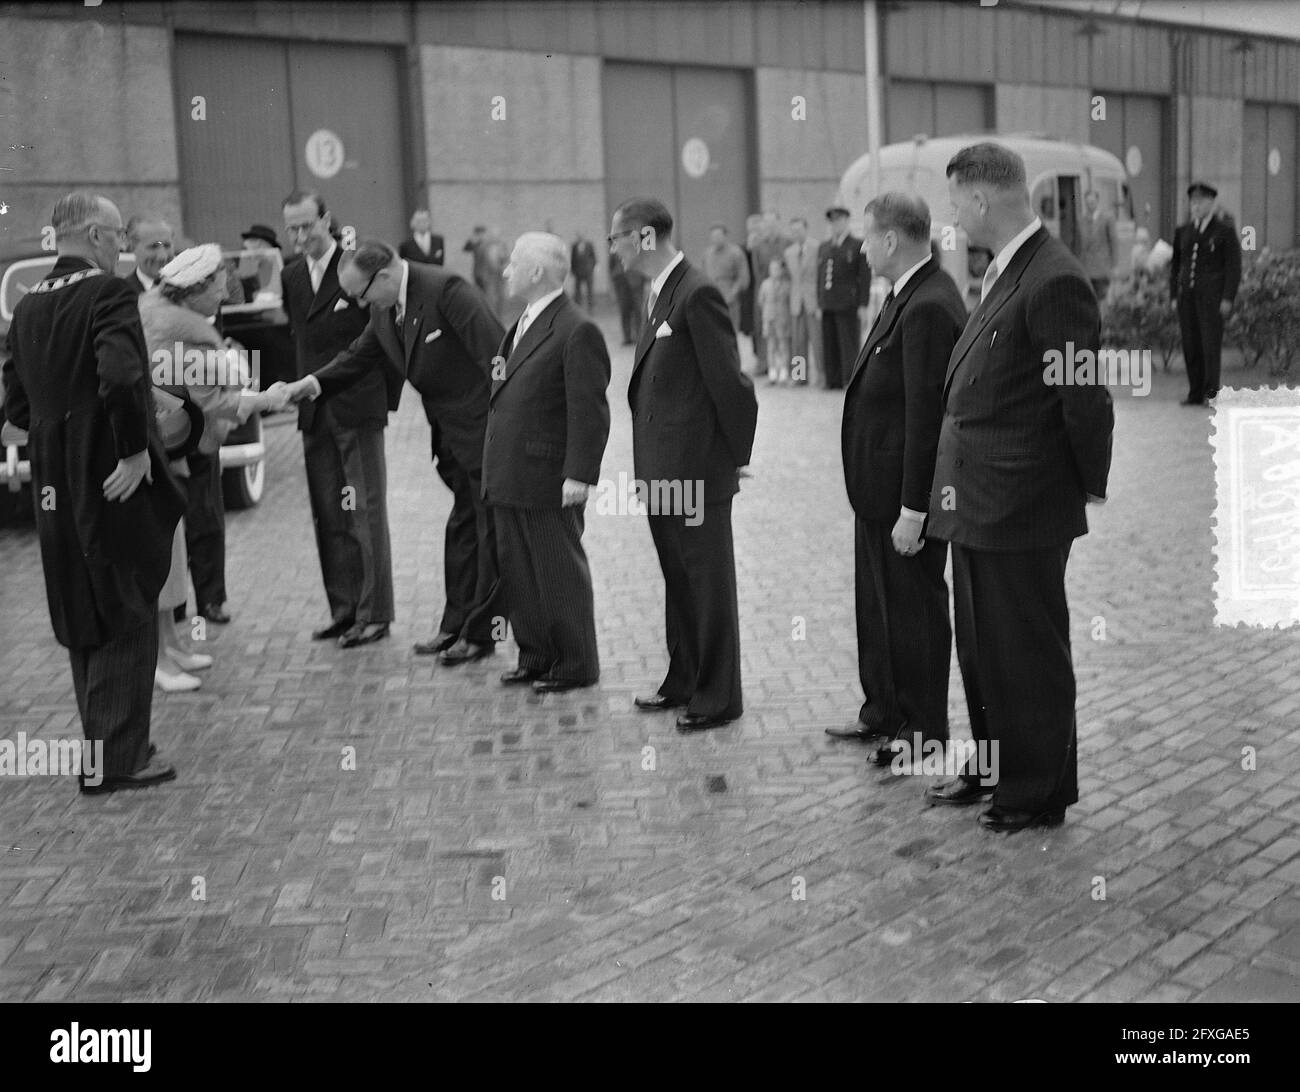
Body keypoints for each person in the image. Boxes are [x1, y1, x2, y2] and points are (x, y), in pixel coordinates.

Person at [925, 142, 1113, 832]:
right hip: (976, 500)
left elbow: (1083, 397)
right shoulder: (1006, 270)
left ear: (980, 200)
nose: (952, 216)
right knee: (982, 650)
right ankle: (994, 764)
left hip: (1020, 501)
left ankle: (1035, 791)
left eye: (955, 201)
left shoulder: (1053, 278)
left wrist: (1084, 485)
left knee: (1025, 652)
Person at [2, 191, 185, 794]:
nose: (123, 248)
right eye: (118, 237)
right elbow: (124, 375)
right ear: (97, 236)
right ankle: (120, 758)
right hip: (109, 470)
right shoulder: (108, 293)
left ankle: (105, 747)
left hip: (53, 475)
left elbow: (17, 404)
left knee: (81, 603)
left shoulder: (27, 307)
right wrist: (133, 449)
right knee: (127, 598)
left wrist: (59, 431)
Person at [283, 240, 506, 666]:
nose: (355, 301)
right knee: (462, 527)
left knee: (489, 531)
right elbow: (359, 356)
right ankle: (454, 625)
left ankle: (482, 635)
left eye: (359, 294)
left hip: (483, 434)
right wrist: (310, 385)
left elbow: (498, 359)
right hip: (449, 436)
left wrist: (502, 433)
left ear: (383, 276)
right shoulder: (385, 307)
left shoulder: (449, 291)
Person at [610, 197, 758, 732]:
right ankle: (685, 678)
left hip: (696, 471)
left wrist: (735, 457)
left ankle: (719, 696)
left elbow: (732, 385)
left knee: (707, 580)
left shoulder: (697, 293)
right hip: (663, 471)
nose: (613, 248)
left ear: (645, 237)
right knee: (679, 578)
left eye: (618, 237)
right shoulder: (658, 292)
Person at [831, 193, 965, 767]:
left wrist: (916, 507)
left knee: (914, 613)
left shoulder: (929, 304)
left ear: (891, 240)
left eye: (867, 237)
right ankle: (884, 709)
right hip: (875, 492)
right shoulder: (903, 295)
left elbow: (924, 417)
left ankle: (923, 729)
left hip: (902, 499)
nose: (860, 247)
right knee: (880, 607)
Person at [139, 244, 284, 689]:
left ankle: (172, 647)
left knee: (172, 549)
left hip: (163, 452)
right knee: (162, 554)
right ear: (195, 289)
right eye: (218, 290)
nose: (223, 299)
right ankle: (160, 660)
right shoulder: (184, 330)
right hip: (164, 455)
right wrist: (268, 397)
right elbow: (213, 400)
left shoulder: (156, 309)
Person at [487, 232, 611, 692]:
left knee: (558, 572)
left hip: (547, 475)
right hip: (510, 471)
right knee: (519, 570)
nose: (506, 271)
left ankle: (576, 662)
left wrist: (579, 475)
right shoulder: (522, 321)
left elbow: (590, 409)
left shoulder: (576, 327)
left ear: (536, 271)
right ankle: (536, 654)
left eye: (513, 263)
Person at [280, 190, 395, 648]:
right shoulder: (291, 276)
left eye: (307, 225)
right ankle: (343, 610)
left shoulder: (355, 266)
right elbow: (297, 341)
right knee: (329, 514)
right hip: (315, 412)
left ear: (327, 220)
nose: (299, 235)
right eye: (291, 228)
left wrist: (380, 400)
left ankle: (375, 614)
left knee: (364, 513)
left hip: (355, 407)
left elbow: (380, 337)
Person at [1170, 181, 1241, 406]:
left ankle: (1210, 394)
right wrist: (1174, 295)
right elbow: (1176, 266)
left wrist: (1228, 298)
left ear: (1211, 203)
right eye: (1193, 202)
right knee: (1191, 346)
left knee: (1210, 346)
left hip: (1212, 299)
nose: (1196, 206)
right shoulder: (1184, 231)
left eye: (1200, 202)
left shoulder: (1224, 231)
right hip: (1187, 298)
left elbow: (1233, 267)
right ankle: (1195, 392)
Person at [817, 206, 872, 390]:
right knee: (829, 342)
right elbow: (820, 275)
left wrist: (863, 305)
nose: (835, 225)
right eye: (832, 221)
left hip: (848, 303)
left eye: (839, 220)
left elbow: (864, 277)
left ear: (847, 221)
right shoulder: (824, 247)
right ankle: (832, 380)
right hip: (828, 302)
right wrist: (820, 301)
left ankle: (849, 378)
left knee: (847, 342)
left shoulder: (857, 245)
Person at [783, 217, 821, 385]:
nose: (796, 233)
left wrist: (820, 302)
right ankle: (800, 376)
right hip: (796, 301)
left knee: (817, 340)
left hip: (813, 301)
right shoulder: (788, 252)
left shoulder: (817, 248)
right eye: (793, 231)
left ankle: (821, 375)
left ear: (806, 229)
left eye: (799, 230)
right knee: (798, 342)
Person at [702, 224, 749, 333]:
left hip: (730, 297)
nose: (716, 239)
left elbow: (743, 277)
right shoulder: (707, 254)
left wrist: (733, 292)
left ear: (725, 236)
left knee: (730, 331)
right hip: (711, 298)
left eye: (718, 236)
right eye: (713, 236)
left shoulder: (735, 253)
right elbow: (703, 275)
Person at [757, 257, 792, 385]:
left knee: (783, 345)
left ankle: (784, 371)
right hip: (769, 318)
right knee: (771, 346)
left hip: (782, 318)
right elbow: (761, 301)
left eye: (777, 269)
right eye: (772, 269)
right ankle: (772, 371)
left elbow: (789, 301)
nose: (774, 271)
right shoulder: (765, 284)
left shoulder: (787, 284)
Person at [1079, 189, 1119, 300]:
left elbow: (1113, 241)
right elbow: (1081, 244)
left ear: (1097, 201)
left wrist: (1114, 266)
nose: (1089, 206)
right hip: (1087, 268)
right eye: (1087, 203)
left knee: (1102, 299)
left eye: (1092, 202)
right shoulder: (1082, 219)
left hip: (1102, 267)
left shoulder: (1107, 218)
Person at [122, 215, 175, 296]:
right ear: (132, 247)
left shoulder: (191, 288)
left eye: (167, 245)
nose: (162, 256)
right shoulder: (121, 294)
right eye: (153, 246)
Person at [236, 224, 285, 302]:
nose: (245, 253)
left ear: (259, 243)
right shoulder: (256, 268)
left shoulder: (277, 266)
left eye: (246, 248)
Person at [609, 251, 645, 346]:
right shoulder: (615, 250)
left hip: (636, 284)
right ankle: (627, 337)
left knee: (638, 311)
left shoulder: (637, 247)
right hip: (621, 285)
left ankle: (639, 336)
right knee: (624, 311)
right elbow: (611, 267)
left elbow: (643, 264)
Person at [570, 231, 597, 310]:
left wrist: (592, 267)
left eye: (582, 236)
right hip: (578, 271)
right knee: (577, 291)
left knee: (590, 290)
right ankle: (578, 307)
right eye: (579, 236)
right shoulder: (574, 246)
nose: (580, 237)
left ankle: (590, 307)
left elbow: (593, 257)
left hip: (588, 271)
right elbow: (573, 259)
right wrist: (573, 270)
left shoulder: (589, 245)